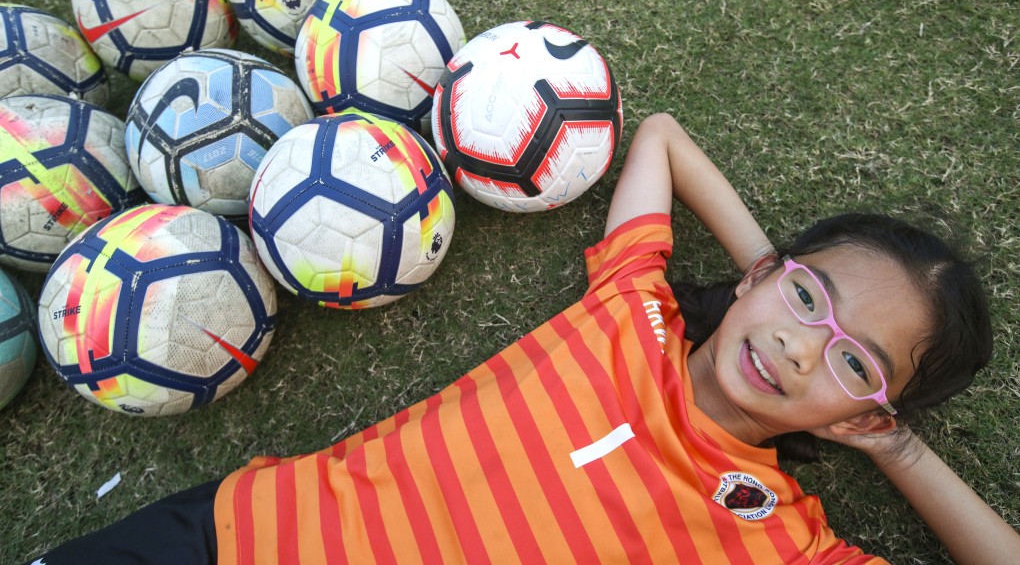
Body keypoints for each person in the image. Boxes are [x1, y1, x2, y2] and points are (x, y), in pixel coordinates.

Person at [27, 113, 1020, 564]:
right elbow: (665, 138)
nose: (807, 349)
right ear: (765, 275)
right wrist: (782, 285)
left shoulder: (781, 535)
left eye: (855, 361)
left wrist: (885, 436)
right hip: (234, 537)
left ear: (866, 407)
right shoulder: (633, 303)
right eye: (811, 302)